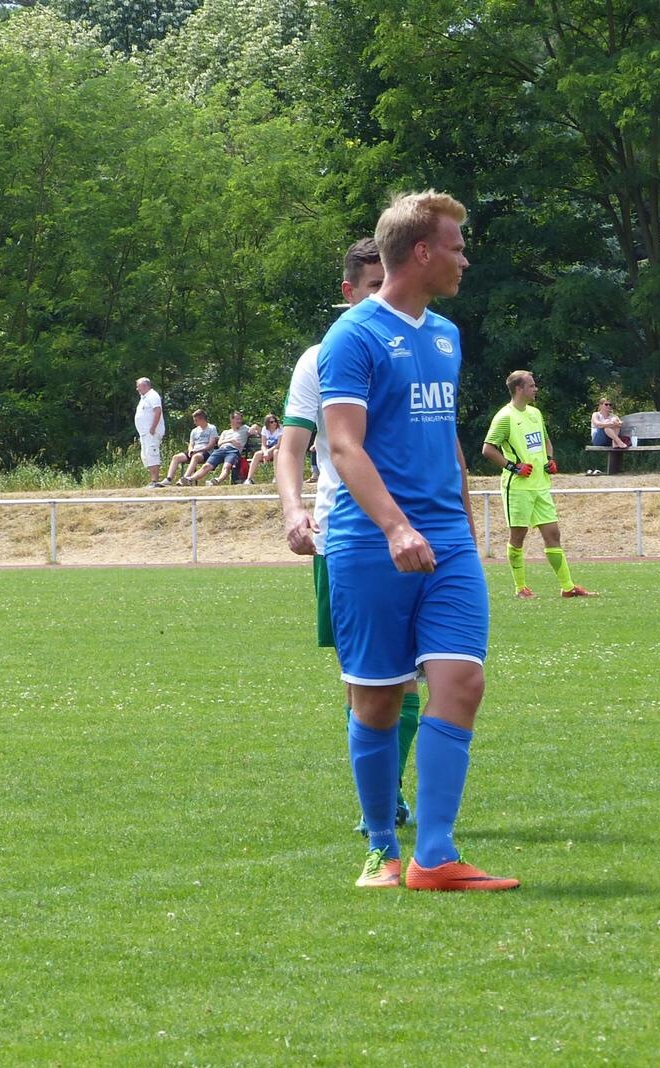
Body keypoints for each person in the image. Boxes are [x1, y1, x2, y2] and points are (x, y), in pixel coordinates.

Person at [319, 190, 517, 891]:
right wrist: (395, 525)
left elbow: (444, 438)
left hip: (448, 542)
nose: (465, 259)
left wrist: (461, 521)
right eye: (457, 246)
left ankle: (433, 854)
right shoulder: (353, 337)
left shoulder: (447, 336)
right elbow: (344, 446)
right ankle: (381, 846)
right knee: (377, 700)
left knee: (462, 681)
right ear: (423, 251)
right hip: (373, 544)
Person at [277, 237, 420, 837]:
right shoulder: (321, 358)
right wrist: (294, 510)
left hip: (420, 532)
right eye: (372, 286)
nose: (384, 296)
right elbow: (292, 446)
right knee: (367, 678)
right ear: (348, 292)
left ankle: (385, 796)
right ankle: (382, 802)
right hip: (348, 537)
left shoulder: (425, 345)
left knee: (416, 676)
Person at [483, 369, 596, 600]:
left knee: (553, 534)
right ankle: (520, 588)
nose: (536, 389)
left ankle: (568, 587)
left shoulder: (535, 413)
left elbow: (546, 441)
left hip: (540, 486)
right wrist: (514, 467)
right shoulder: (505, 417)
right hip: (518, 488)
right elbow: (488, 449)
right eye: (532, 385)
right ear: (519, 389)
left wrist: (549, 459)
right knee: (518, 536)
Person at [190, 410, 252, 486]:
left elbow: (256, 428)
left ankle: (218, 480)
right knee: (206, 466)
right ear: (232, 420)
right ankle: (190, 479)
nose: (239, 421)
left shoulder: (245, 429)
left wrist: (254, 427)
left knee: (227, 466)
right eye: (237, 419)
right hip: (221, 450)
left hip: (233, 451)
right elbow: (219, 444)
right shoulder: (225, 432)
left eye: (240, 419)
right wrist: (230, 440)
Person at [167, 409, 216, 485]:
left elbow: (211, 445)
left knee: (196, 457)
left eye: (196, 420)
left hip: (205, 452)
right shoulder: (194, 431)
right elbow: (191, 444)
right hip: (194, 451)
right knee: (176, 457)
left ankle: (185, 479)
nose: (194, 423)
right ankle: (168, 479)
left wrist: (198, 451)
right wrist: (190, 450)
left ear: (202, 419)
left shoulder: (211, 428)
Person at [135, 377, 165, 486]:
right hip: (145, 434)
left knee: (152, 454)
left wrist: (153, 428)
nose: (137, 389)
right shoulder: (144, 398)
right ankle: (153, 480)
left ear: (144, 386)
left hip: (152, 432)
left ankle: (155, 481)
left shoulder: (153, 395)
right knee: (147, 456)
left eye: (138, 386)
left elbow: (157, 411)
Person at [243, 414, 283, 485]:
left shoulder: (280, 429)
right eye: (272, 422)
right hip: (268, 450)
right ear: (267, 423)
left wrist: (268, 451)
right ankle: (249, 479)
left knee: (276, 452)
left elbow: (279, 444)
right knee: (257, 454)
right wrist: (265, 452)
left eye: (275, 421)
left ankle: (276, 477)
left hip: (278, 450)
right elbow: (263, 445)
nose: (274, 423)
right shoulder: (265, 429)